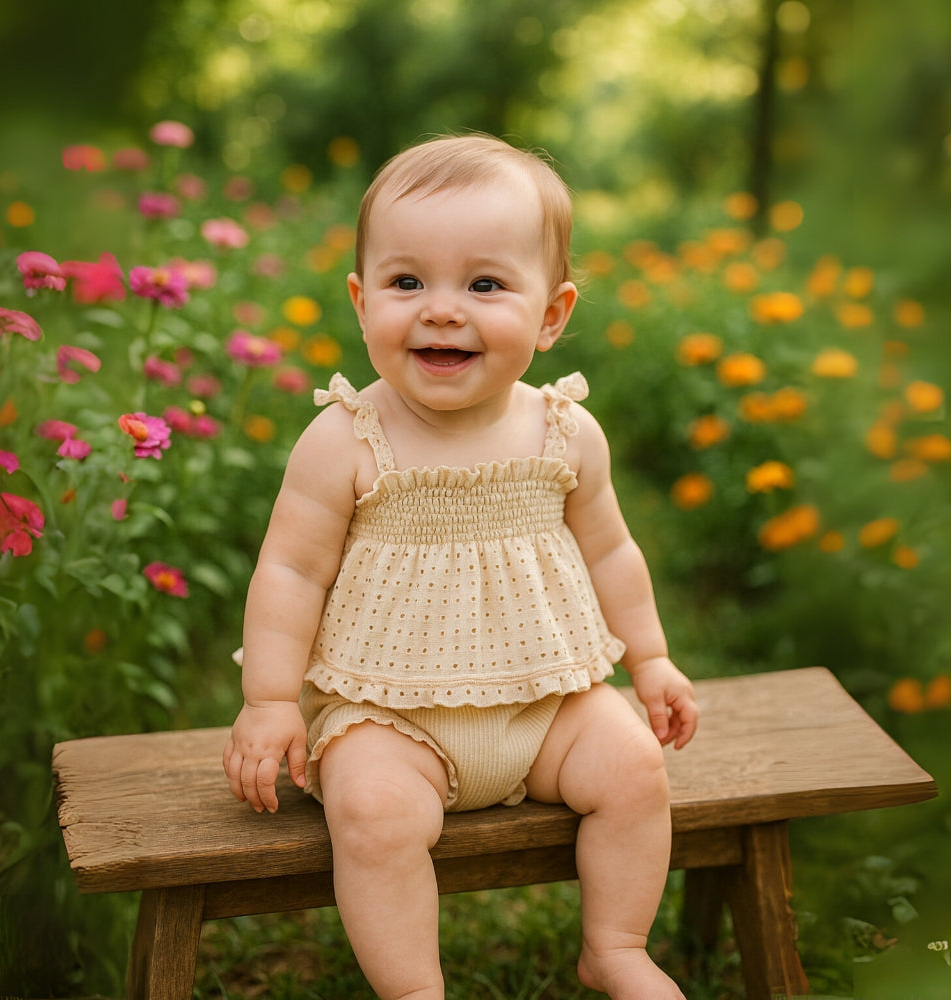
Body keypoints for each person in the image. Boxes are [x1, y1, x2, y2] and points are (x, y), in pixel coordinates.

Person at [223, 133, 698, 1000]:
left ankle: (616, 946)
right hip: (386, 716)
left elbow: (610, 550)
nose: (442, 310)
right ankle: (415, 989)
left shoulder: (566, 432)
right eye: (408, 283)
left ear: (552, 316)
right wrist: (268, 699)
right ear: (363, 304)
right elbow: (289, 573)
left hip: (545, 701)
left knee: (634, 770)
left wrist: (652, 657)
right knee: (374, 814)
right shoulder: (345, 439)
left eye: (485, 284)